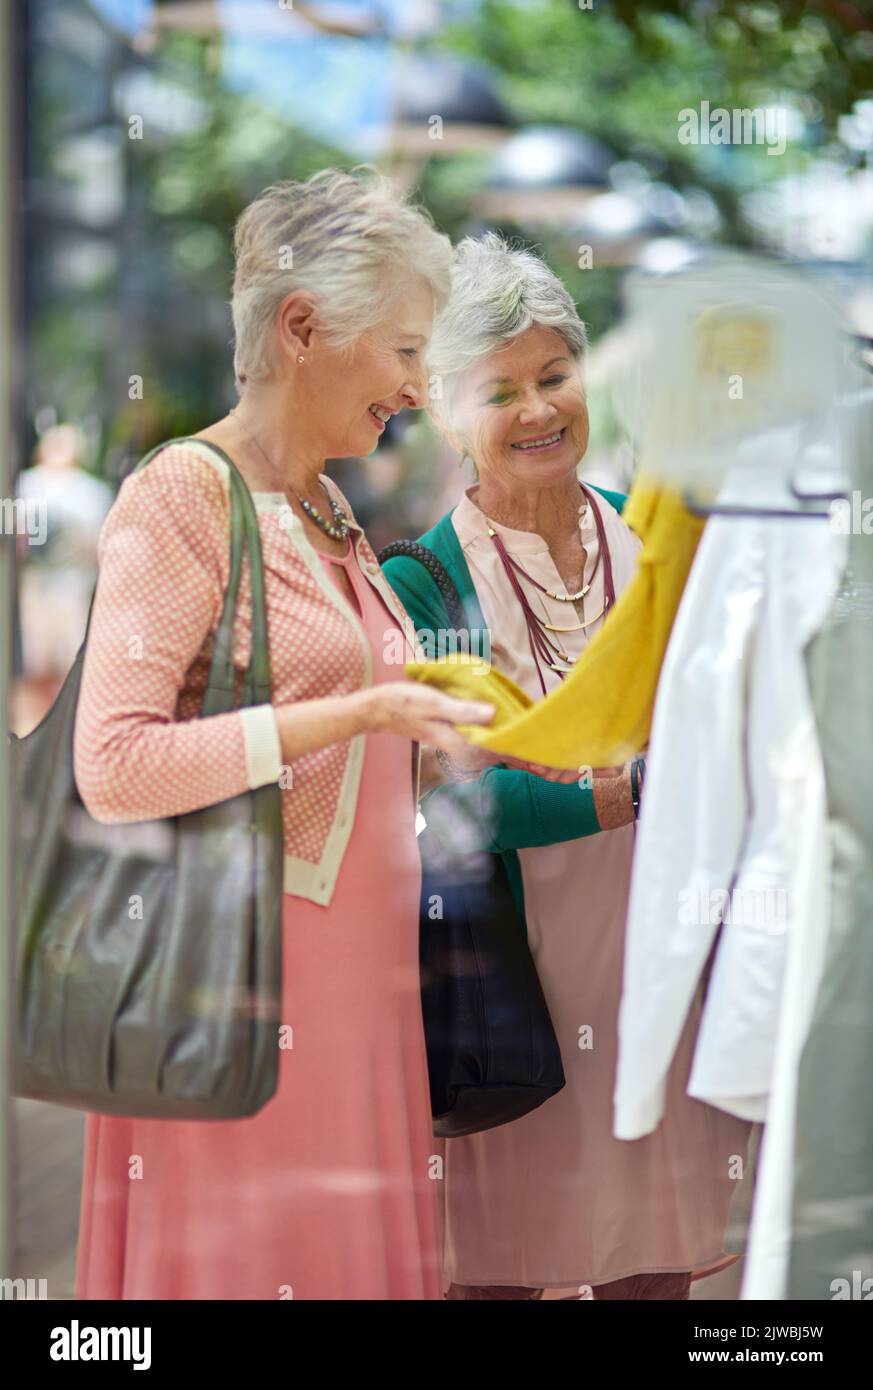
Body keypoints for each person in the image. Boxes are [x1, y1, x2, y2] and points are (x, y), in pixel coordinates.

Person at [72, 169, 494, 1301]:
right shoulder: (183, 492)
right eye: (403, 350)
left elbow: (360, 739)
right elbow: (112, 766)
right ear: (302, 327)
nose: (418, 386)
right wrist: (357, 710)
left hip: (362, 986)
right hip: (248, 984)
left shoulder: (329, 507)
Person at [382, 233, 752, 1300]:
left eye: (556, 376)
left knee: (656, 1269)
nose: (540, 410)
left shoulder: (655, 548)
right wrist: (618, 791)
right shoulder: (428, 584)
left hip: (660, 976)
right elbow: (451, 794)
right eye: (501, 391)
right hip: (513, 996)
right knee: (496, 1276)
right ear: (447, 412)